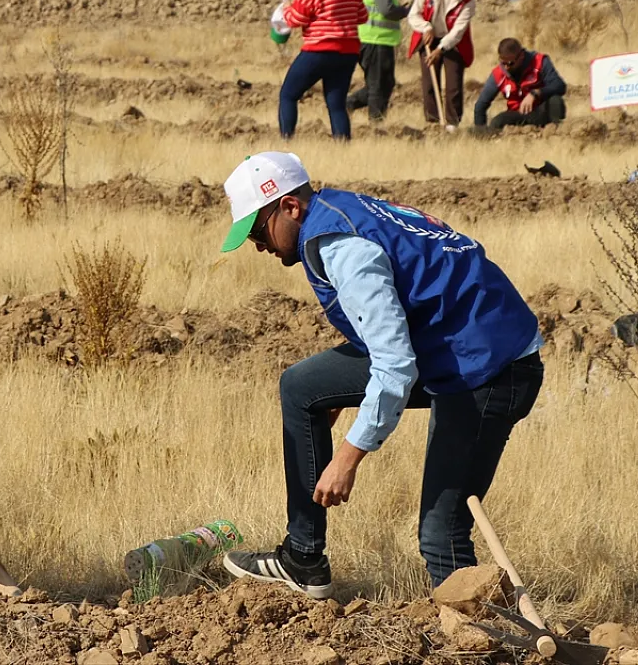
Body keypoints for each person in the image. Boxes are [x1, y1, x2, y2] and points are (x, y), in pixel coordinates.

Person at [217, 151, 544, 598]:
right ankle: (303, 558)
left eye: (257, 231)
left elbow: (395, 365)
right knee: (303, 387)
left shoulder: (345, 250)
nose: (258, 246)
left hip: (490, 368)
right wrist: (335, 394)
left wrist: (348, 457)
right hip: (448, 344)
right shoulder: (335, 211)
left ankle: (478, 630)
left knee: (441, 534)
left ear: (289, 207)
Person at [277, 0, 368, 141]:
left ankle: (286, 141)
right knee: (336, 104)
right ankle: (342, 145)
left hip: (319, 49)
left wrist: (286, 10)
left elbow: (298, 18)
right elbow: (362, 16)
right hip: (348, 51)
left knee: (288, 95)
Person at [407, 0, 477, 128]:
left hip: (453, 41)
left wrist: (440, 49)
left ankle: (452, 123)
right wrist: (426, 27)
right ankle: (433, 122)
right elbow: (413, 14)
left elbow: (458, 31)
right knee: (429, 82)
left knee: (453, 84)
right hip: (429, 37)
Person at [347, 0, 412, 124]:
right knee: (378, 86)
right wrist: (408, 11)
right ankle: (375, 125)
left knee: (385, 83)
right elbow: (387, 10)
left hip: (371, 38)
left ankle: (350, 104)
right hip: (375, 39)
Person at [473, 38, 567, 129]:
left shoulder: (540, 61)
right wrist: (481, 131)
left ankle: (556, 132)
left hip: (540, 111)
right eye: (502, 63)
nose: (506, 68)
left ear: (521, 56)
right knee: (497, 122)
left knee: (556, 101)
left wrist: (535, 93)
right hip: (516, 115)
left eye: (510, 63)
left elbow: (559, 85)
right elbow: (480, 106)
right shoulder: (498, 74)